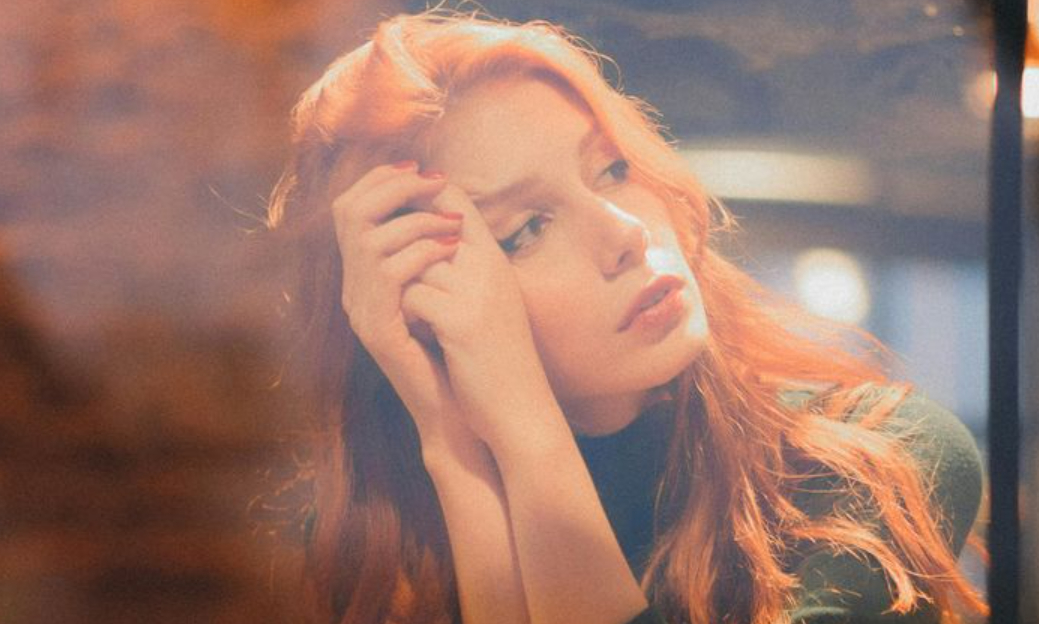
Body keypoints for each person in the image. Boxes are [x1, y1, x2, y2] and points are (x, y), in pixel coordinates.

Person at [265, 9, 987, 624]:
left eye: (612, 169)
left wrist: (525, 434)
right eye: (527, 229)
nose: (625, 232)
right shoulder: (375, 542)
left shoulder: (876, 458)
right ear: (420, 311)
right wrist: (456, 449)